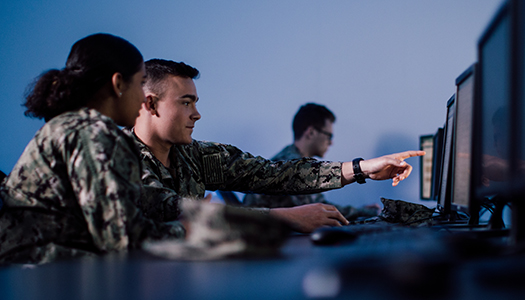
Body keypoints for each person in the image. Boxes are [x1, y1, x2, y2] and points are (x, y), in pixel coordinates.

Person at [129, 59, 424, 233]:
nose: (196, 113)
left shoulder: (195, 154)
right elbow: (165, 220)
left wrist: (361, 169)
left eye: (195, 102)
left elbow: (274, 173)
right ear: (151, 104)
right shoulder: (120, 159)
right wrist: (285, 217)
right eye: (185, 102)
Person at [0, 34, 185, 265]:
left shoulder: (67, 126)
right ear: (118, 83)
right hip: (45, 277)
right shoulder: (96, 134)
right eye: (140, 83)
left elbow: (128, 196)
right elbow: (123, 241)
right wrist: (187, 230)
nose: (142, 98)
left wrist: (183, 209)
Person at [243, 103, 380, 220]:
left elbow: (319, 206)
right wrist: (365, 212)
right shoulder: (294, 163)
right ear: (311, 132)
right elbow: (320, 210)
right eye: (329, 136)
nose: (331, 142)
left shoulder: (288, 158)